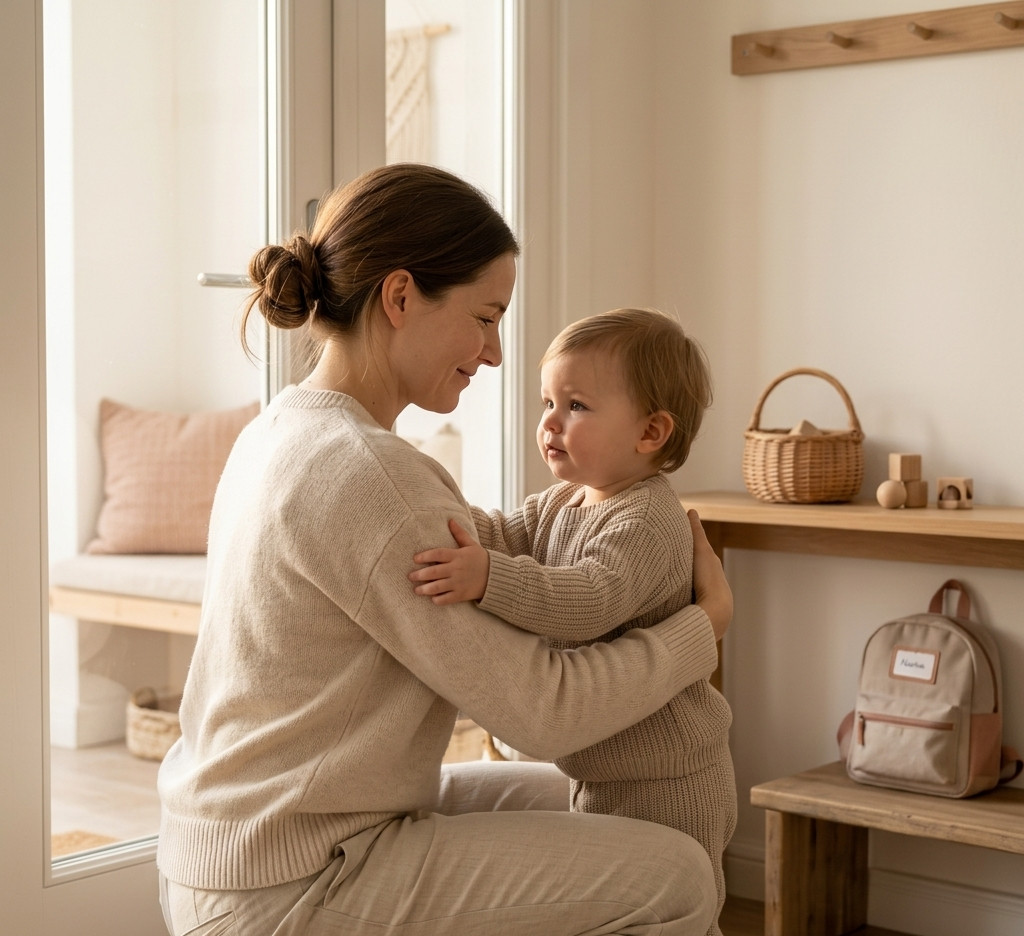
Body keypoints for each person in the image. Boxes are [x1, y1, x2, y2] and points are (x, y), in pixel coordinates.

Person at [156, 164, 733, 936]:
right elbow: (544, 713)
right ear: (400, 298)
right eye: (486, 317)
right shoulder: (369, 474)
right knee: (679, 872)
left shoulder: (279, 429)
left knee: (615, 819)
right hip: (289, 884)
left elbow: (485, 540)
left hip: (243, 847)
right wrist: (704, 630)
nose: (494, 354)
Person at [409, 308, 736, 936]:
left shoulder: (647, 520)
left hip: (669, 778)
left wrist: (487, 579)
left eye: (576, 405)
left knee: (682, 914)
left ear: (650, 432)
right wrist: (428, 506)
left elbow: (589, 599)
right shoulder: (565, 500)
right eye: (547, 402)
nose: (550, 423)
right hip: (605, 769)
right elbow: (501, 533)